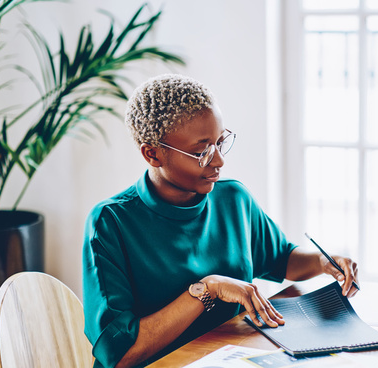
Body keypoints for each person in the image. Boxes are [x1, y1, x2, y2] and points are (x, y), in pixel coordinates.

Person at [82, 74, 359, 368]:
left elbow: (281, 258)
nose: (219, 162)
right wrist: (206, 289)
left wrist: (323, 262)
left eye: (220, 143)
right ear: (153, 154)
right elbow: (120, 354)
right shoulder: (111, 222)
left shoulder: (233, 199)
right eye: (202, 151)